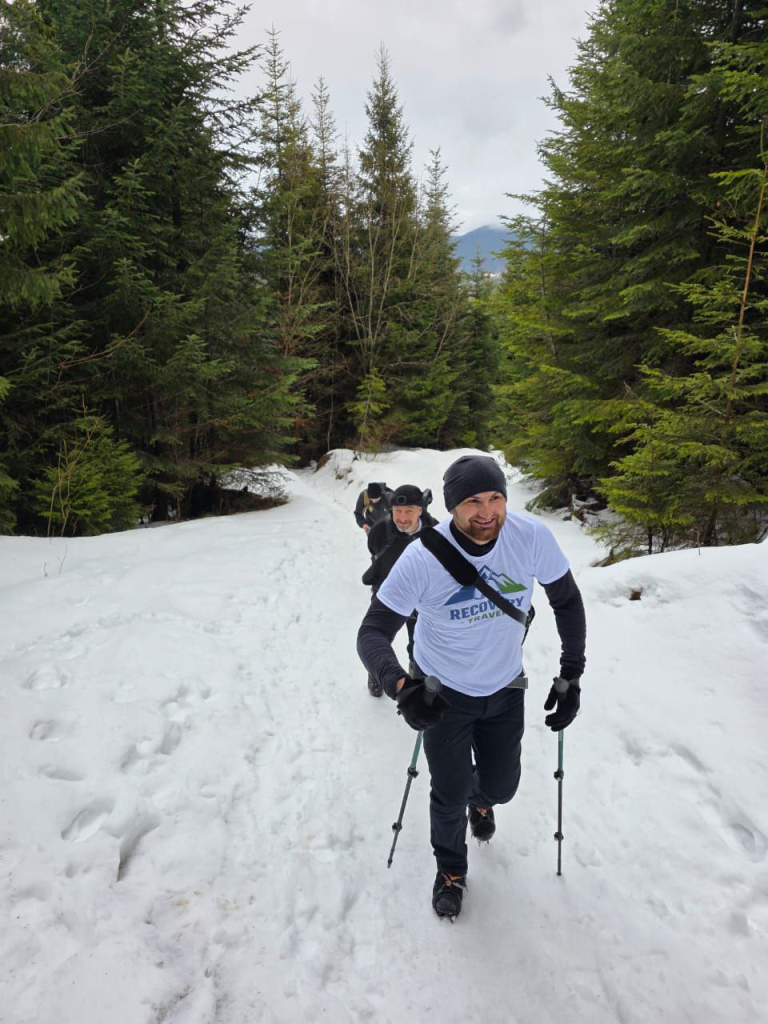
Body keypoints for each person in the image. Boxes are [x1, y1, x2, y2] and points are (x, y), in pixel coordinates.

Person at [357, 455, 586, 921]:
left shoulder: (531, 537)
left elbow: (566, 600)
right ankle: (451, 871)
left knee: (502, 786)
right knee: (448, 790)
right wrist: (401, 686)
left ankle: (479, 801)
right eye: (472, 502)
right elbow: (373, 631)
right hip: (443, 693)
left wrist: (571, 673)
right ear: (451, 507)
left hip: (505, 687)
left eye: (496, 497)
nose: (486, 512)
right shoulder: (422, 557)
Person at [361, 485, 438, 697]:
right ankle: (376, 674)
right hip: (388, 599)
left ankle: (416, 682)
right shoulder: (379, 531)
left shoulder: (436, 533)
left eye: (409, 511)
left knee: (418, 645)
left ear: (420, 510)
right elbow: (374, 553)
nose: (402, 517)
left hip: (421, 602)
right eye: (398, 511)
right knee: (379, 641)